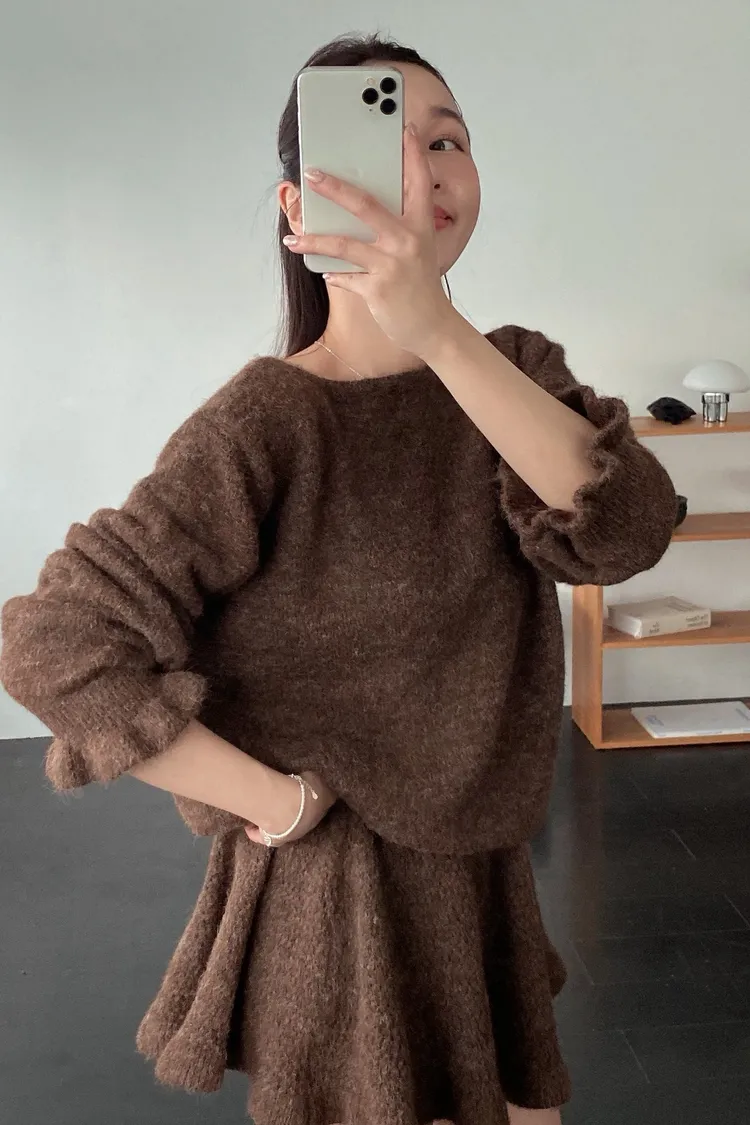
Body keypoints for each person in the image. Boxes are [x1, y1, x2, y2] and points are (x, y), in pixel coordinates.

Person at [0, 32, 678, 1125]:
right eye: (381, 142)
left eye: (447, 139)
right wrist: (275, 801)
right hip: (336, 890)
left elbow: (628, 532)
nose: (424, 169)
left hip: (480, 865)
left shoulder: (514, 374)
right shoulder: (269, 420)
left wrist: (437, 331)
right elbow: (51, 641)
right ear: (298, 204)